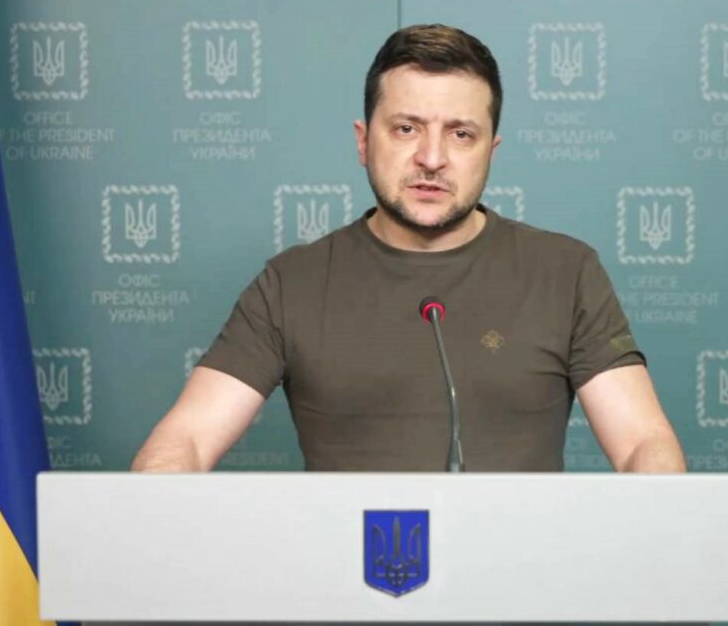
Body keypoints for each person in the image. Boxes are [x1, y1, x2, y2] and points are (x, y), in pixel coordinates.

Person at [132, 24, 685, 473]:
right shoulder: (290, 282)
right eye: (406, 129)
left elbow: (642, 444)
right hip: (345, 573)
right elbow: (187, 440)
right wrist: (158, 498)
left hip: (516, 573)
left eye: (461, 134)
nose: (432, 158)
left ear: (490, 152)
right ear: (362, 142)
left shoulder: (566, 272)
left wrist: (664, 532)